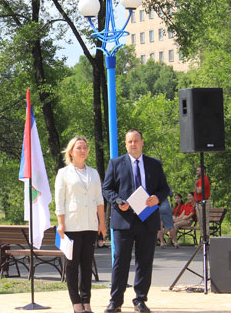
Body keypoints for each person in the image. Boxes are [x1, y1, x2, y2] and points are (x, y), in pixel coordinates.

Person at [102, 130, 170, 313]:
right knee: (120, 261)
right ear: (125, 144)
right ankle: (115, 301)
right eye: (129, 142)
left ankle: (140, 299)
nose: (133, 144)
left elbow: (165, 188)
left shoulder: (154, 164)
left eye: (136, 141)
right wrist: (117, 201)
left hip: (147, 220)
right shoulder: (116, 164)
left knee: (145, 261)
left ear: (142, 142)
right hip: (124, 220)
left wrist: (157, 197)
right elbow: (106, 189)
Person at [55, 136, 106, 313]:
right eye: (79, 148)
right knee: (72, 265)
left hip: (90, 225)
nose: (83, 150)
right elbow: (59, 201)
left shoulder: (93, 173)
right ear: (71, 152)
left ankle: (86, 301)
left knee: (86, 265)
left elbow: (99, 199)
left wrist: (102, 223)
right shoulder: (63, 173)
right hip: (71, 225)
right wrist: (60, 224)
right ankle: (76, 302)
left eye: (85, 147)